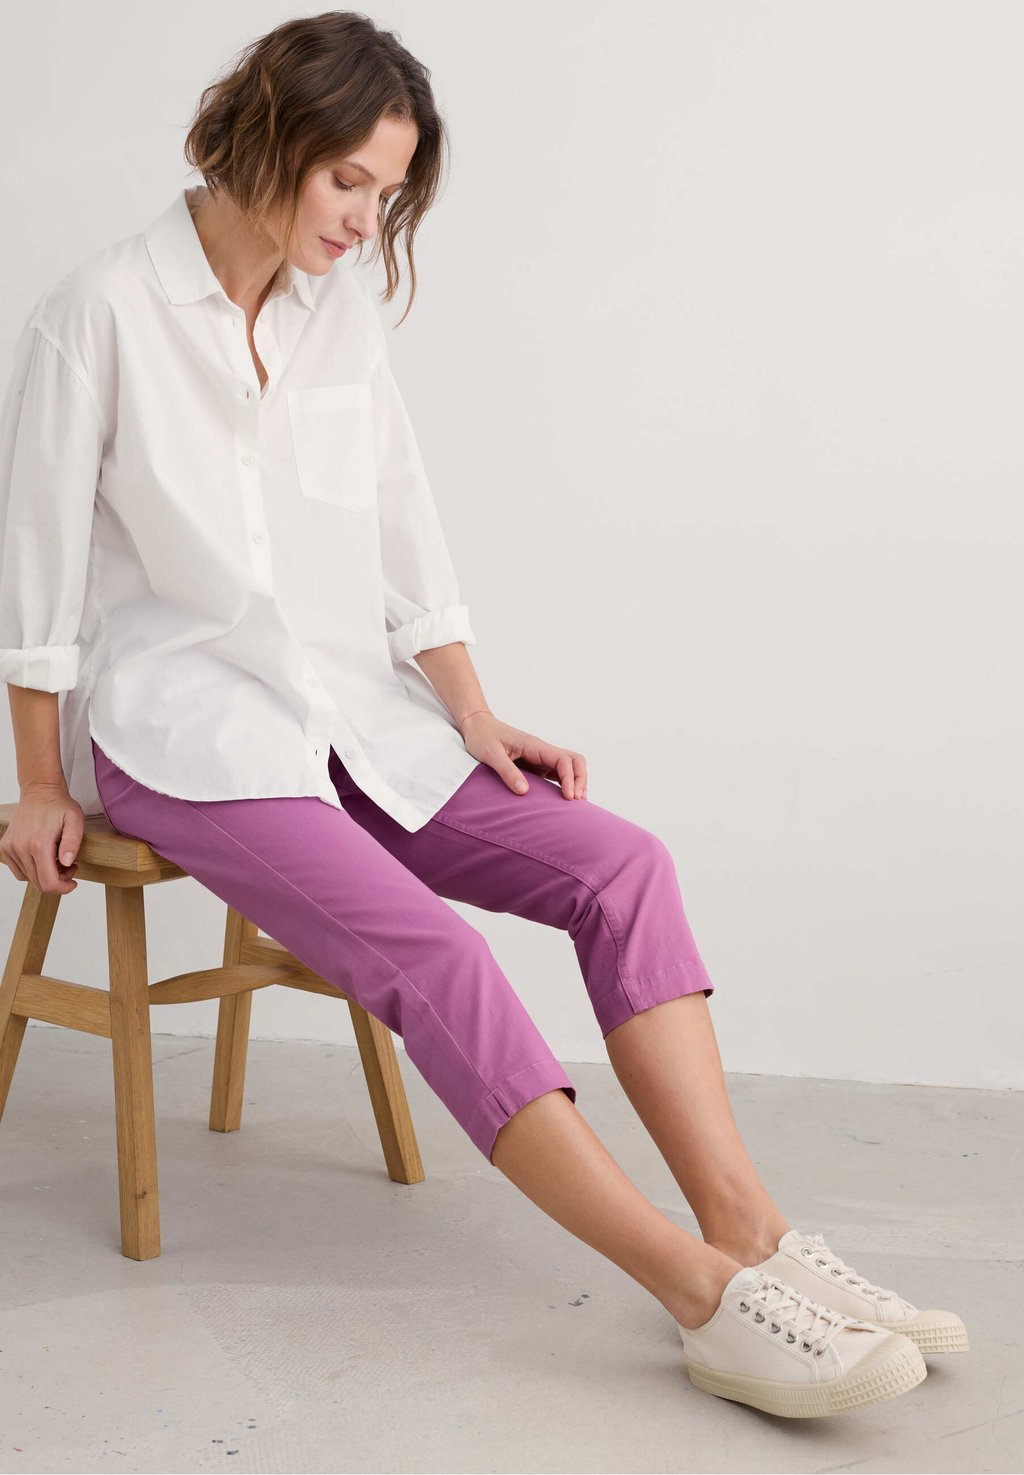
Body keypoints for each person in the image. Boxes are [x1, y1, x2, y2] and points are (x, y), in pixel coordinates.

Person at [0, 11, 965, 1419]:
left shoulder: (337, 316)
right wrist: (39, 780)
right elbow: (38, 577)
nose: (364, 220)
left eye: (386, 193)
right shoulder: (98, 314)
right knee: (439, 956)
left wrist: (470, 709)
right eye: (346, 180)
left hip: (348, 715)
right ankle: (701, 1298)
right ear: (263, 139)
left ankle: (754, 1235)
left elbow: (402, 530)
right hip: (188, 740)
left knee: (620, 865)